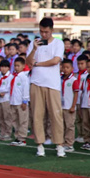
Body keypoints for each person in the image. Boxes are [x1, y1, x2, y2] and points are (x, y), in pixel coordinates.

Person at [26, 18, 67, 157]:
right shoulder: (34, 43)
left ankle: (60, 145)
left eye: (46, 32)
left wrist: (38, 64)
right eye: (41, 31)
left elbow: (56, 60)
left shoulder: (58, 43)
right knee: (37, 115)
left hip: (53, 84)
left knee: (56, 115)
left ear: (52, 30)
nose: (43, 34)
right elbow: (28, 62)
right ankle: (40, 145)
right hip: (36, 83)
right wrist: (34, 50)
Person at [60, 59, 77, 152]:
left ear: (72, 68)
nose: (65, 69)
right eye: (64, 67)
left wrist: (73, 106)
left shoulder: (73, 80)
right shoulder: (59, 79)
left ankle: (69, 144)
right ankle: (61, 142)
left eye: (68, 67)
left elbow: (76, 94)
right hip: (61, 107)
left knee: (69, 126)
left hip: (69, 107)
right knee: (61, 125)